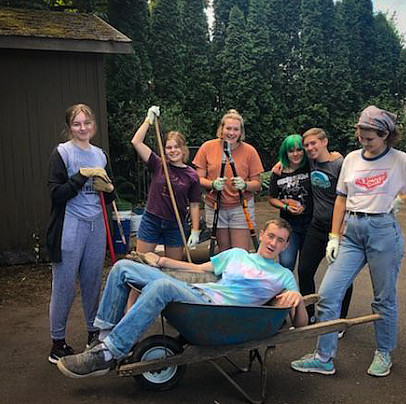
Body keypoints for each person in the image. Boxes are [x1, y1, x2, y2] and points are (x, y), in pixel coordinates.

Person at [291, 106, 406, 378]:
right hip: (351, 230)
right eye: (361, 136)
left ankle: (384, 353)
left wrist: (403, 199)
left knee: (383, 298)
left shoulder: (400, 161)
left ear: (385, 134)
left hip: (382, 232)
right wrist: (334, 236)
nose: (364, 142)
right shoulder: (351, 159)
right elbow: (341, 197)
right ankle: (323, 357)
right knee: (329, 294)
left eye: (370, 138)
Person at [56, 219, 308, 378]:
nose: (274, 243)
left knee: (163, 287)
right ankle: (103, 341)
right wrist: (160, 260)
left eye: (281, 240)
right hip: (198, 295)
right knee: (122, 267)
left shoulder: (283, 276)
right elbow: (198, 270)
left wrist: (298, 298)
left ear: (286, 247)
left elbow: (302, 325)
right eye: (271, 236)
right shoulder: (237, 254)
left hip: (218, 313)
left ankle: (110, 352)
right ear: (262, 234)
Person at [46, 104, 116, 364]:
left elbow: (110, 197)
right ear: (69, 127)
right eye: (77, 124)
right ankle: (58, 343)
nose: (82, 128)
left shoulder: (101, 155)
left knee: (92, 283)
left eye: (86, 123)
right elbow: (55, 195)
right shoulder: (62, 153)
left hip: (96, 224)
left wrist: (108, 188)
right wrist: (79, 178)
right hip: (70, 226)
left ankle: (93, 334)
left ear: (93, 125)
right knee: (64, 286)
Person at [297, 128, 353, 329]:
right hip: (317, 226)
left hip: (339, 229)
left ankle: (339, 321)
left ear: (324, 142)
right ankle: (310, 315)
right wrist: (279, 163)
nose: (310, 148)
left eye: (314, 143)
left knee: (341, 276)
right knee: (304, 270)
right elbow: (290, 161)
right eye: (307, 145)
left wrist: (339, 232)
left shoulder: (339, 164)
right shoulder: (310, 162)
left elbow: (348, 197)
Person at [130, 106, 201, 259]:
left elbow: (195, 204)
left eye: (176, 147)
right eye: (169, 147)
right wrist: (148, 121)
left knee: (173, 267)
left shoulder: (192, 175)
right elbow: (136, 142)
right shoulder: (158, 164)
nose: (172, 150)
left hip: (176, 224)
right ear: (164, 150)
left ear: (183, 149)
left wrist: (195, 230)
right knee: (142, 262)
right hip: (152, 219)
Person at [193, 109, 264, 252]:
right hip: (215, 205)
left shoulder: (249, 151)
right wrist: (212, 184)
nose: (231, 133)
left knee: (240, 253)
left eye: (236, 129)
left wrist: (245, 185)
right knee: (224, 252)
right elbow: (198, 178)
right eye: (228, 128)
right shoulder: (207, 147)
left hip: (240, 206)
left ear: (241, 132)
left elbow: (257, 184)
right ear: (221, 129)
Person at [268, 134, 313, 271]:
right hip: (288, 225)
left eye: (299, 149)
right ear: (285, 152)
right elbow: (271, 198)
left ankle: (305, 292)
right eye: (291, 151)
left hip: (310, 223)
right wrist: (285, 207)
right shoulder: (278, 172)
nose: (295, 154)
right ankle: (286, 291)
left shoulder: (310, 166)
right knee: (286, 263)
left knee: (306, 267)